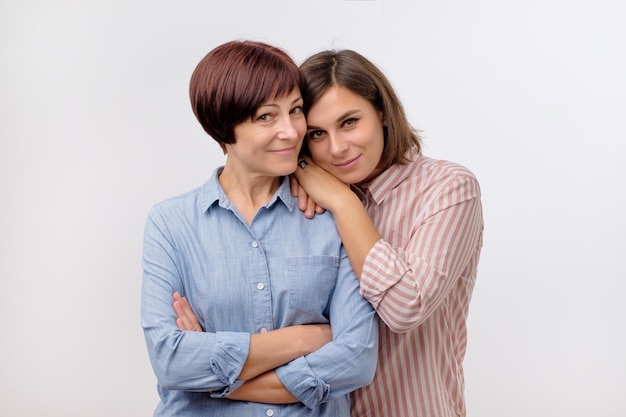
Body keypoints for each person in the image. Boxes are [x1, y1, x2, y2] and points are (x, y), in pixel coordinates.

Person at [140, 40, 378, 417]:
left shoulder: (335, 216)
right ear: (223, 128)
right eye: (266, 117)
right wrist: (306, 337)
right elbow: (172, 362)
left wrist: (219, 375)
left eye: (295, 110)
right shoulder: (171, 224)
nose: (290, 131)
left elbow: (356, 359)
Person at [290, 49, 484, 417]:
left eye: (349, 122)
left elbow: (404, 307)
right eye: (317, 133)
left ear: (381, 112)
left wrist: (345, 205)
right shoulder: (301, 199)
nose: (337, 147)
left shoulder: (448, 189)